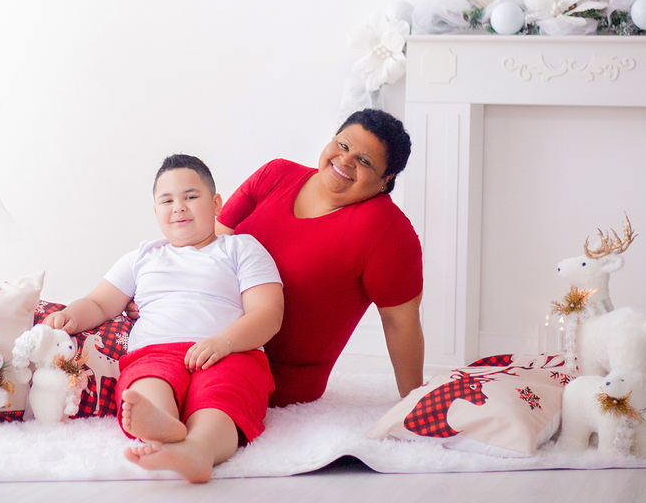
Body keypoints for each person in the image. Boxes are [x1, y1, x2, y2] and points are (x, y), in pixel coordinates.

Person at [43, 154, 283, 483]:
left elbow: (268, 313)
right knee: (146, 380)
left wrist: (224, 342)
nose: (178, 207)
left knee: (222, 395)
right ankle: (161, 421)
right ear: (156, 212)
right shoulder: (142, 257)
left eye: (191, 197)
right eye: (167, 200)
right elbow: (100, 304)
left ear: (216, 204)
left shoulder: (241, 249)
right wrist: (70, 315)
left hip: (229, 351)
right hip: (156, 351)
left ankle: (199, 449)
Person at [215, 108, 424, 406]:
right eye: (343, 145)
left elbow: (399, 322)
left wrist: (413, 403)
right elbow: (207, 245)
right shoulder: (275, 174)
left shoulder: (387, 230)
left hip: (275, 370)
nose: (345, 161)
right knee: (136, 344)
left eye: (364, 161)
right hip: (208, 331)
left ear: (386, 179)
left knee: (185, 382)